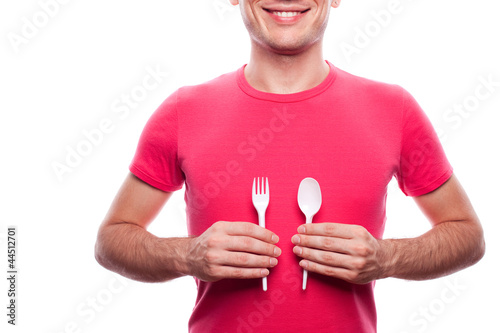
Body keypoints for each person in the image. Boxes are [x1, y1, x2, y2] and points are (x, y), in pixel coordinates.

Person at [94, 0, 485, 332]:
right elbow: (112, 240)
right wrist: (186, 255)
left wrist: (386, 258)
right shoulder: (184, 110)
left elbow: (467, 235)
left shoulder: (393, 109)